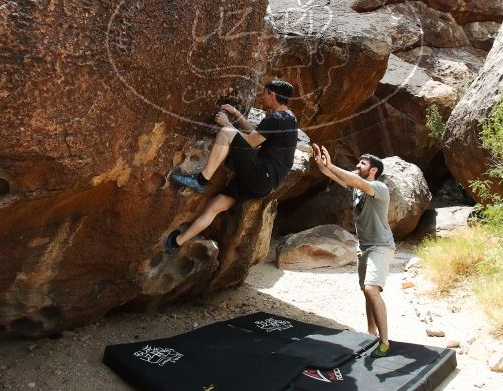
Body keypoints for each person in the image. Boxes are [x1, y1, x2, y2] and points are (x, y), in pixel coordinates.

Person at [166, 79, 298, 253]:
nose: (261, 97)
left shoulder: (276, 118)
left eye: (263, 93)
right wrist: (237, 115)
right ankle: (176, 242)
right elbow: (256, 134)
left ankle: (201, 179)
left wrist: (227, 124)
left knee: (226, 133)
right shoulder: (289, 118)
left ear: (272, 95)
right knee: (215, 205)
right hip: (264, 184)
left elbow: (251, 142)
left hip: (260, 173)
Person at [312, 144, 394, 358]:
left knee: (371, 289)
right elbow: (340, 177)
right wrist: (322, 165)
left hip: (381, 245)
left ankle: (385, 342)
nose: (358, 165)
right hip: (364, 246)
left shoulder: (379, 188)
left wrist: (331, 165)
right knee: (365, 292)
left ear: (373, 169)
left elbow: (355, 179)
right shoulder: (358, 187)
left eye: (363, 163)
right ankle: (370, 333)